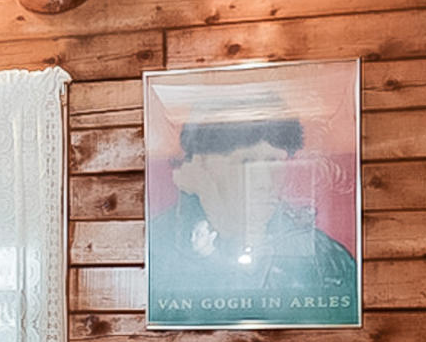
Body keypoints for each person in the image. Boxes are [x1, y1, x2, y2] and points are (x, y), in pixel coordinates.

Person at [146, 110, 360, 325]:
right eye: (246, 162)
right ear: (202, 167)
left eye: (274, 162)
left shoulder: (329, 258)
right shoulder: (155, 250)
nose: (265, 181)